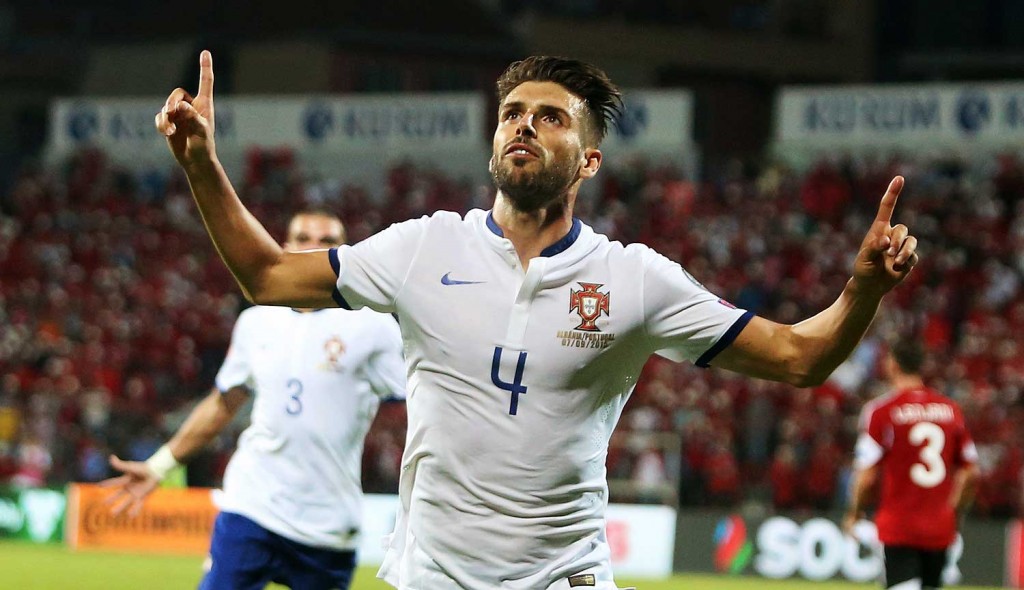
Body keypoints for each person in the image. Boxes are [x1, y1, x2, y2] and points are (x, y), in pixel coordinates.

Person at [154, 50, 920, 590]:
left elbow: (798, 357)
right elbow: (267, 276)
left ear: (588, 160)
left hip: (565, 574)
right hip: (435, 574)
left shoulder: (635, 280)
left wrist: (860, 293)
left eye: (550, 118)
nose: (523, 125)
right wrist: (202, 166)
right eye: (513, 113)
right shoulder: (423, 247)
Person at [100, 210, 407, 590]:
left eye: (327, 241)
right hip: (251, 507)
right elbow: (222, 403)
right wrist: (160, 465)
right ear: (285, 248)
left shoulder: (372, 325)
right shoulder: (256, 321)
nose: (314, 247)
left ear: (343, 252)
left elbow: (423, 400)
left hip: (327, 525)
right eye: (303, 237)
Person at [843, 341, 978, 590]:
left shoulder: (881, 411)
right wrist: (954, 513)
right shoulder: (951, 410)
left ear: (892, 364)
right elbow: (969, 473)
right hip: (940, 527)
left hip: (899, 526)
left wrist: (854, 514)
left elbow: (866, 476)